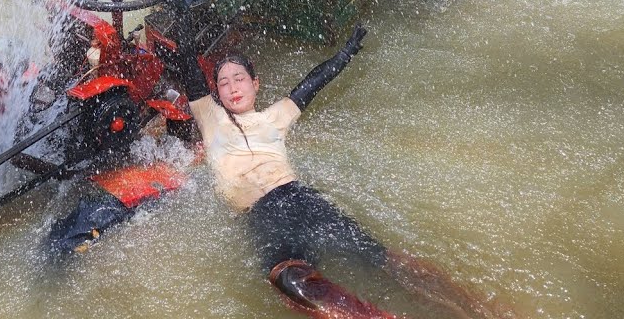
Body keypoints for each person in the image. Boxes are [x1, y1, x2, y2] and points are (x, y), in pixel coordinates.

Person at [175, 27, 511, 319]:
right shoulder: (211, 119)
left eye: (239, 78)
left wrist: (345, 54)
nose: (232, 86)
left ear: (255, 84)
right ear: (215, 92)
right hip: (263, 213)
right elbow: (190, 72)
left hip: (301, 197)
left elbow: (311, 84)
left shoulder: (274, 117)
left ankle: (477, 306)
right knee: (289, 280)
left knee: (385, 261)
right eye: (223, 82)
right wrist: (184, 31)